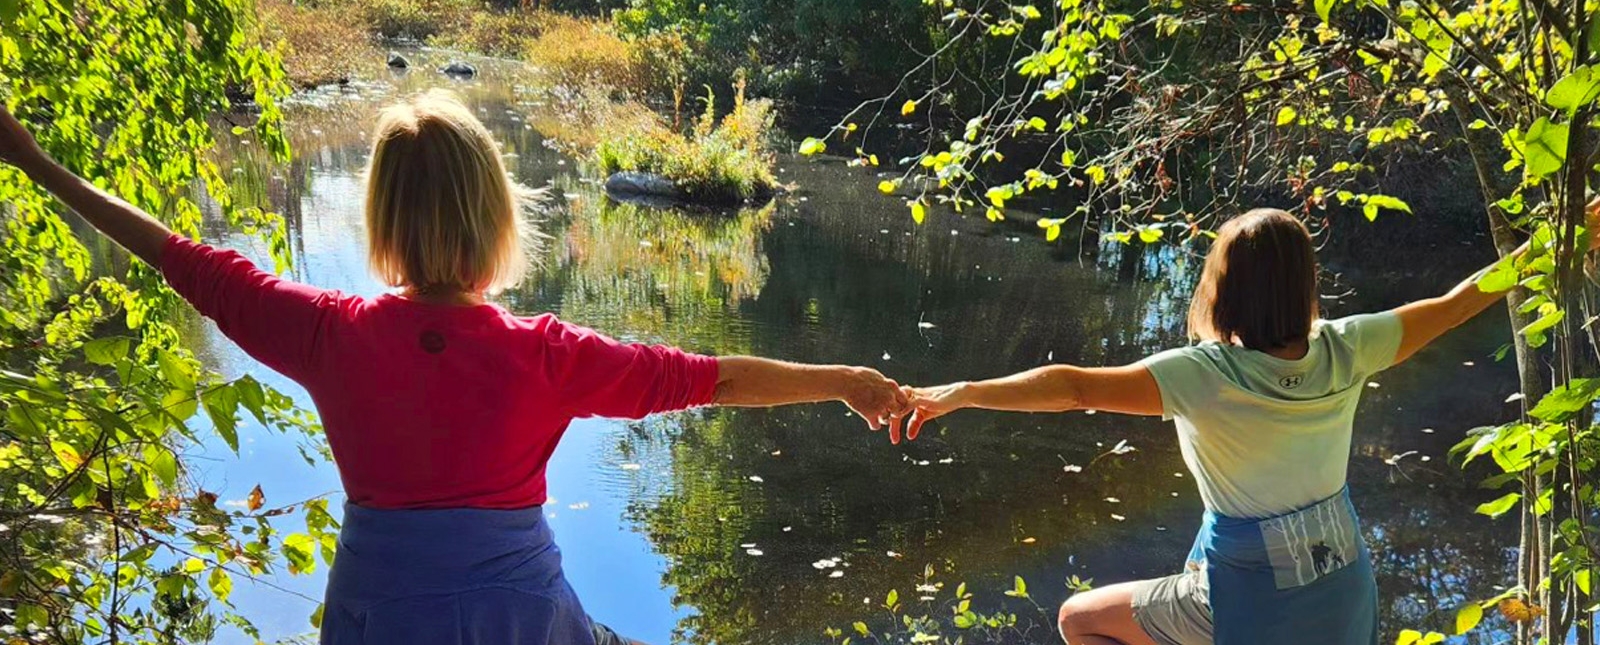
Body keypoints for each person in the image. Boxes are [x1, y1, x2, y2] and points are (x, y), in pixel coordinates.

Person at [0, 91, 909, 645]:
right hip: (520, 620)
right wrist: (841, 377)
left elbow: (184, 258)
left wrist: (36, 160)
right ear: (501, 214)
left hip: (378, 617)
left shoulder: (328, 334)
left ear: (382, 220)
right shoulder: (546, 355)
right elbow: (710, 377)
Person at [894, 204, 1600, 645]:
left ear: (1223, 287)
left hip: (1253, 604)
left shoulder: (1206, 376)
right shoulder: (1349, 345)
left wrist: (960, 392)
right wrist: (1557, 239)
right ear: (1303, 286)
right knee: (1204, 545)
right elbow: (1461, 298)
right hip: (1343, 595)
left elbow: (1074, 389)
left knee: (1079, 619)